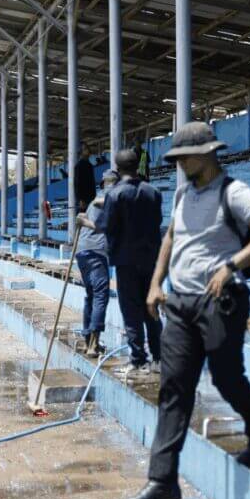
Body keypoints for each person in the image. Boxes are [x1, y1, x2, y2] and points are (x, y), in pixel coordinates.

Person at [125, 122, 250, 499]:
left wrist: (232, 265)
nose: (179, 164)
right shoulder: (183, 195)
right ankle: (162, 478)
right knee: (173, 388)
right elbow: (170, 238)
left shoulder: (234, 192)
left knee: (228, 379)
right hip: (180, 304)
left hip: (220, 303)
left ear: (207, 154)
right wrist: (156, 283)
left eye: (184, 157)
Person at [95, 149, 163, 376]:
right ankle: (158, 358)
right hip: (150, 258)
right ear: (137, 166)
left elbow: (106, 225)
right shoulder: (153, 192)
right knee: (151, 309)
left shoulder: (115, 195)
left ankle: (138, 359)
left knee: (131, 310)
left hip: (125, 260)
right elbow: (158, 222)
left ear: (118, 168)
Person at [75, 170, 119, 357]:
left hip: (82, 253)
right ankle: (93, 345)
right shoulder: (110, 196)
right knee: (101, 296)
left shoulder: (96, 200)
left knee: (91, 296)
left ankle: (88, 342)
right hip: (95, 253)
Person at [74, 143, 96, 210]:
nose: (88, 150)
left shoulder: (89, 165)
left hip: (91, 198)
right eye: (85, 149)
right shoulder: (79, 165)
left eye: (88, 148)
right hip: (84, 200)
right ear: (81, 152)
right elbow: (77, 184)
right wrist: (80, 199)